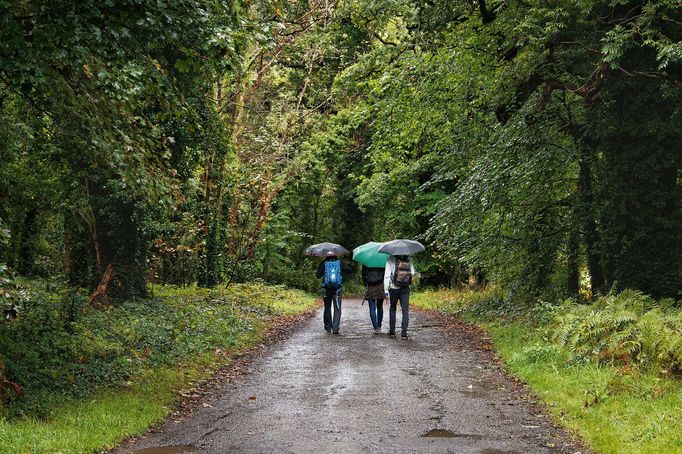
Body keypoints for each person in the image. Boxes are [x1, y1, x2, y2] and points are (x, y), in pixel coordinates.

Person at [316, 256, 351, 334]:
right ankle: (335, 329)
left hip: (326, 289)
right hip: (337, 289)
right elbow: (349, 271)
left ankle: (328, 327)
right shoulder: (340, 262)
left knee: (327, 307)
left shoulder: (323, 263)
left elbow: (317, 275)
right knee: (337, 308)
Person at [383, 255, 415, 339]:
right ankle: (404, 333)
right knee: (405, 310)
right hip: (405, 287)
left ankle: (392, 332)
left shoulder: (390, 259)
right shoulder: (409, 258)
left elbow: (387, 275)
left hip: (394, 287)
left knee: (393, 308)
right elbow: (413, 273)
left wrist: (386, 290)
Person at [362, 265, 386, 333]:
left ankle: (375, 328)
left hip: (370, 286)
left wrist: (365, 283)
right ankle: (379, 326)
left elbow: (363, 274)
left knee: (372, 308)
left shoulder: (366, 260)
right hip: (380, 286)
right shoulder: (382, 259)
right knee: (380, 307)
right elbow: (385, 273)